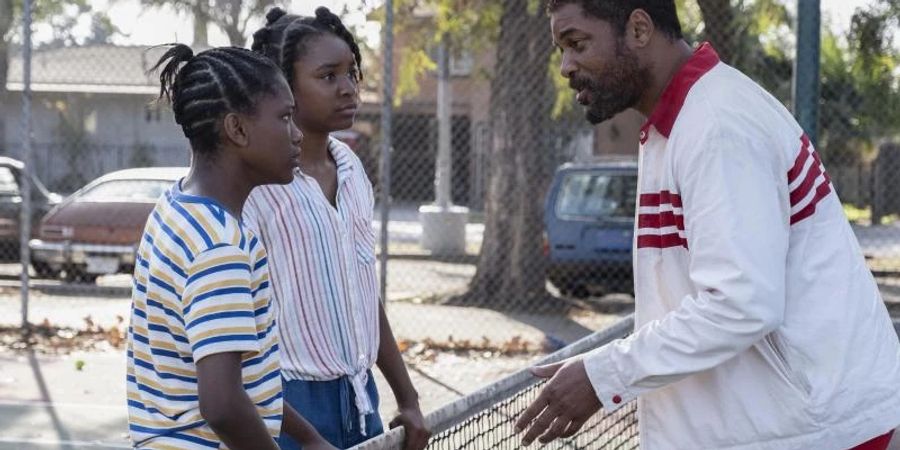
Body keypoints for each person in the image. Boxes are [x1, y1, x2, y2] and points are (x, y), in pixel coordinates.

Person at [516, 1, 900, 449]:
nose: (566, 66)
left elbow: (740, 303)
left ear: (639, 29)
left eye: (577, 44)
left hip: (820, 432)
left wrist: (603, 375)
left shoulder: (717, 123)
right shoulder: (680, 122)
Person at [125, 43, 335, 450]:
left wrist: (308, 438)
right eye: (285, 118)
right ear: (237, 129)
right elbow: (221, 404)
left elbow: (248, 382)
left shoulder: (175, 208)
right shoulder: (220, 247)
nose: (297, 134)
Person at [245, 7, 430, 450]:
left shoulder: (350, 167)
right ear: (283, 87)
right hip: (283, 405)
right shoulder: (257, 184)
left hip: (357, 395)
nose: (348, 88)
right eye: (328, 76)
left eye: (352, 73)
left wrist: (407, 396)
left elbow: (363, 290)